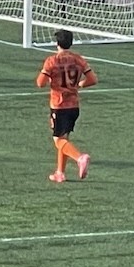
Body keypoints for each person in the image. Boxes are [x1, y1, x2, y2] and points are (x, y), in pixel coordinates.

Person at [35, 29, 97, 183]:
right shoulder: (78, 59)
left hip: (59, 105)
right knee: (64, 138)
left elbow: (40, 83)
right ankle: (60, 172)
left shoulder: (52, 61)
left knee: (58, 140)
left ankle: (79, 157)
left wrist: (51, 80)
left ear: (57, 43)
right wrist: (80, 84)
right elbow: (93, 79)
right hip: (74, 105)